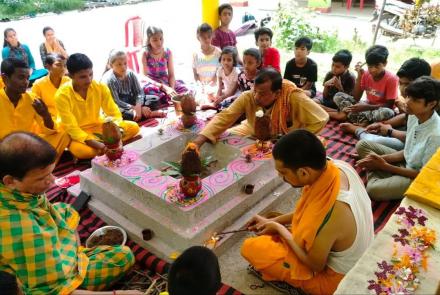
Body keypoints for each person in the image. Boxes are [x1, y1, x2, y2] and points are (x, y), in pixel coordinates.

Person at [0, 132, 142, 295]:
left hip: (58, 257)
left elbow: (58, 213)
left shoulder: (18, 193)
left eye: (51, 172)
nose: (52, 180)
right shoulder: (26, 233)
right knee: (123, 258)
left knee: (121, 254)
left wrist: (74, 247)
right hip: (45, 287)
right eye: (42, 178)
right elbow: (52, 290)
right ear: (10, 181)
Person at [241, 129, 374, 295]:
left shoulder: (333, 213)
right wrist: (276, 221)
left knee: (251, 248)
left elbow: (315, 264)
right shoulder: (339, 167)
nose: (280, 177)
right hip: (355, 253)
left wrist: (280, 229)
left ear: (304, 172)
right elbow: (311, 212)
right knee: (271, 232)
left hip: (337, 281)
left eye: (283, 173)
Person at [192, 68, 329, 147]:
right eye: (255, 90)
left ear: (277, 93)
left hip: (285, 137)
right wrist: (199, 140)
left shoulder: (293, 97)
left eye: (262, 93)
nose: (256, 97)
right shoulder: (249, 96)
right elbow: (225, 116)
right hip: (252, 129)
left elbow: (322, 118)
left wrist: (296, 138)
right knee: (224, 142)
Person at [356, 76, 440, 201]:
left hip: (416, 176)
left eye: (415, 100)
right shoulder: (414, 116)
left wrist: (384, 166)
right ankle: (377, 169)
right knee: (362, 145)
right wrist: (381, 160)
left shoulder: (436, 135)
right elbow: (407, 151)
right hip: (404, 162)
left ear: (432, 104)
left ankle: (378, 171)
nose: (407, 102)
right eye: (407, 96)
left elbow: (423, 174)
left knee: (374, 190)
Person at [55, 53, 140, 160]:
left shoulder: (100, 87)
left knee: (133, 127)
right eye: (83, 77)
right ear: (70, 76)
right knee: (84, 152)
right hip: (77, 134)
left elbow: (114, 114)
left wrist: (115, 133)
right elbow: (72, 129)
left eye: (91, 74)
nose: (88, 80)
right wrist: (103, 147)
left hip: (98, 127)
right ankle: (98, 147)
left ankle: (101, 148)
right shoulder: (62, 95)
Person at [340, 58, 432, 151]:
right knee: (378, 131)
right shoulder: (412, 100)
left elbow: (416, 139)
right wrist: (381, 125)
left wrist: (390, 131)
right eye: (400, 83)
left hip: (415, 142)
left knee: (368, 142)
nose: (403, 89)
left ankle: (358, 130)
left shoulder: (429, 102)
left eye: (408, 84)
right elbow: (406, 117)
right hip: (406, 132)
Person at [0, 58, 69, 160]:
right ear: (5, 78)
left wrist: (45, 115)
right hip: (3, 151)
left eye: (28, 78)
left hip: (26, 147)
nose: (26, 82)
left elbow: (50, 131)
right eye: (21, 77)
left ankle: (35, 169)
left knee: (64, 134)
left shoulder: (32, 99)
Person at [331, 45, 398, 125]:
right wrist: (359, 76)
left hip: (378, 110)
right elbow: (356, 97)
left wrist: (366, 107)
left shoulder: (392, 79)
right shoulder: (366, 74)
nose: (372, 70)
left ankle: (354, 118)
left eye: (377, 66)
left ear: (385, 63)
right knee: (338, 96)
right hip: (366, 109)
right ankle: (362, 120)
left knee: (388, 112)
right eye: (370, 67)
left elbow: (389, 105)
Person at [102, 50, 165, 122]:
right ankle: (149, 114)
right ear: (111, 65)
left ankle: (142, 113)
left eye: (125, 63)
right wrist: (136, 108)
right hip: (118, 106)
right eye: (119, 64)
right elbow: (117, 102)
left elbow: (139, 92)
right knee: (124, 116)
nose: (123, 67)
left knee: (155, 100)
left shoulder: (130, 74)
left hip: (131, 100)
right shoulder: (110, 80)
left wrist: (138, 105)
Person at [141, 26, 188, 103]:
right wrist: (164, 88)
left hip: (166, 81)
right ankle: (164, 98)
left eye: (161, 38)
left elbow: (171, 75)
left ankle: (168, 98)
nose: (159, 42)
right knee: (148, 92)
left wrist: (171, 89)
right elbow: (144, 76)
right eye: (155, 40)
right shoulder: (145, 53)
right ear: (149, 41)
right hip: (153, 83)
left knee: (186, 91)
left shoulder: (167, 52)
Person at [32, 53, 71, 123]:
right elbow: (35, 110)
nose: (63, 68)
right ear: (48, 66)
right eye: (58, 65)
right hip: (48, 122)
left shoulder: (68, 82)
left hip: (68, 120)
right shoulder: (38, 84)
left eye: (65, 65)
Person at [192, 23, 221, 105]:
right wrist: (199, 84)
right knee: (198, 98)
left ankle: (210, 104)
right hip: (201, 85)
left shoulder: (218, 52)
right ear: (198, 38)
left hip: (214, 84)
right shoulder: (196, 54)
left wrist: (212, 83)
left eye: (209, 37)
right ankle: (207, 105)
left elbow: (219, 72)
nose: (207, 40)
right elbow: (195, 73)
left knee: (215, 95)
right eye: (204, 38)